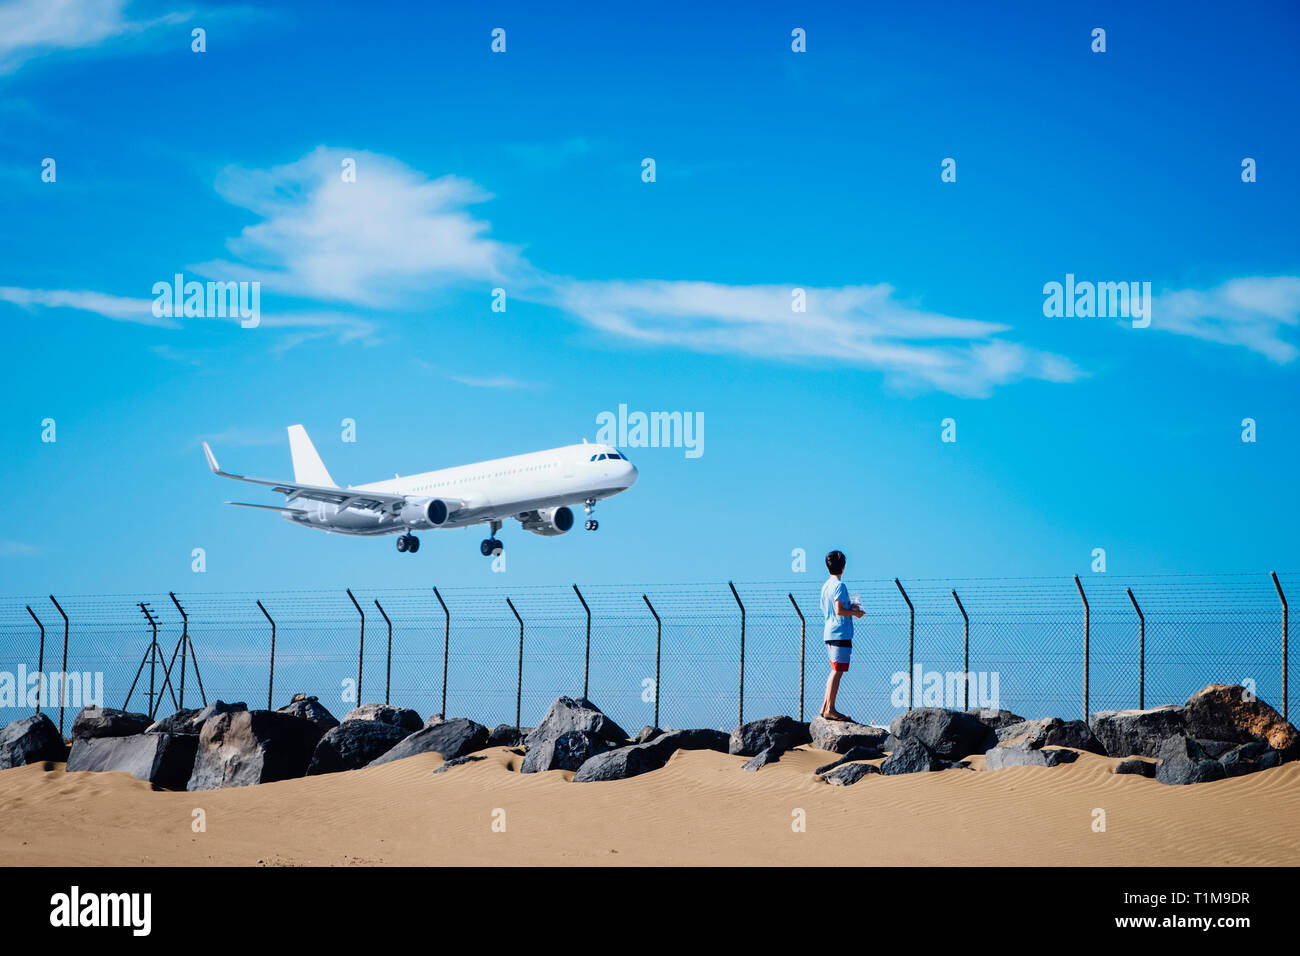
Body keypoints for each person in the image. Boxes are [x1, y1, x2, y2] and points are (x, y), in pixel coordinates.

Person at [819, 549, 864, 721]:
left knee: (834, 670)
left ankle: (825, 707)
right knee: (837, 671)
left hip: (829, 632)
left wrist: (849, 607)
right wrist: (855, 613)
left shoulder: (825, 586)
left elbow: (831, 608)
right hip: (840, 633)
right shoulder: (839, 586)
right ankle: (830, 708)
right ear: (843, 567)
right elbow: (839, 610)